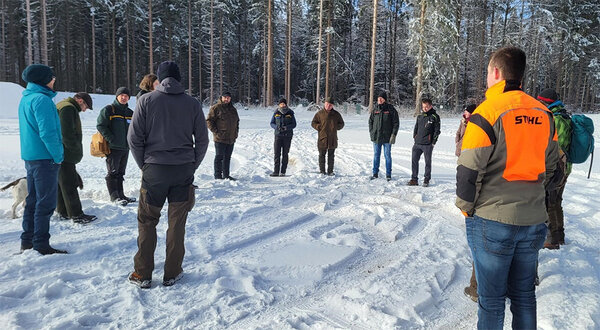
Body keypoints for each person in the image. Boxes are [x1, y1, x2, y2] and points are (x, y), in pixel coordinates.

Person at [456, 46, 558, 329]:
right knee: (524, 296)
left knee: (492, 300)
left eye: (488, 72)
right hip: (533, 219)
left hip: (492, 219)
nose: (487, 77)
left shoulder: (487, 111)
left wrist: (467, 209)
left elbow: (468, 170)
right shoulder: (543, 113)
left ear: (497, 73)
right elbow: (553, 169)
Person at [127, 61, 209, 288]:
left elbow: (134, 139)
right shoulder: (192, 104)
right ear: (179, 78)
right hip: (183, 169)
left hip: (155, 170)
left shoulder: (145, 100)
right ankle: (172, 272)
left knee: (147, 221)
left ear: (160, 79)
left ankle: (142, 274)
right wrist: (192, 165)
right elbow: (202, 140)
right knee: (177, 222)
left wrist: (144, 164)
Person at [18, 64, 67, 255]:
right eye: (51, 77)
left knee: (33, 200)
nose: (54, 80)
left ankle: (27, 240)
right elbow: (48, 133)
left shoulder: (27, 98)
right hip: (45, 158)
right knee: (45, 202)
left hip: (31, 157)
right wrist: (58, 156)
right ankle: (40, 243)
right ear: (43, 80)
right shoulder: (42, 100)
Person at [537, 88, 572, 249]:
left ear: (547, 102)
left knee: (550, 202)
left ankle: (552, 239)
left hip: (558, 167)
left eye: (542, 101)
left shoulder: (556, 119)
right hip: (565, 166)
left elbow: (555, 146)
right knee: (557, 201)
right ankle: (560, 236)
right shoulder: (564, 116)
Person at [56, 93, 97, 224]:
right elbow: (66, 133)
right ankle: (76, 214)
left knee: (61, 183)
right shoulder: (68, 108)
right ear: (79, 100)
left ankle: (63, 212)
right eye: (85, 105)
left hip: (58, 151)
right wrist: (74, 148)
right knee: (70, 184)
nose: (84, 109)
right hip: (65, 153)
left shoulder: (63, 105)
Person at [97, 87, 136, 205]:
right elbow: (100, 125)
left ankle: (121, 195)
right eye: (121, 95)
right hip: (113, 147)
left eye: (126, 96)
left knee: (121, 173)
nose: (124, 98)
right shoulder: (109, 110)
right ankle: (114, 197)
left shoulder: (130, 113)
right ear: (117, 96)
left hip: (125, 147)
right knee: (113, 172)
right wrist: (111, 139)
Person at [206, 91, 239, 180]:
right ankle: (218, 176)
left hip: (231, 138)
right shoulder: (216, 108)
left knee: (227, 158)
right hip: (220, 138)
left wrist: (236, 133)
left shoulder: (233, 109)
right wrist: (216, 132)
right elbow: (209, 121)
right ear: (221, 98)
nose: (226, 99)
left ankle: (226, 175)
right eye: (225, 97)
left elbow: (237, 121)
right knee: (219, 157)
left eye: (228, 97)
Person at [408, 98, 440, 187]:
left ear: (431, 106)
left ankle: (426, 179)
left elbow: (437, 131)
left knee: (427, 163)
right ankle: (414, 179)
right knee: (414, 161)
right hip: (417, 143)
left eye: (426, 107)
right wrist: (415, 136)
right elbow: (416, 128)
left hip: (428, 144)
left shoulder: (435, 117)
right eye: (423, 106)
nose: (425, 108)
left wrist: (433, 142)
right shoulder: (420, 116)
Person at [369, 91, 399, 181]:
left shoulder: (390, 109)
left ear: (385, 99)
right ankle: (375, 173)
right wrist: (372, 132)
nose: (379, 100)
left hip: (387, 138)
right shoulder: (375, 109)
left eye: (381, 98)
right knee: (376, 155)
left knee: (387, 156)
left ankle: (388, 174)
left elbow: (396, 123)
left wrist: (393, 134)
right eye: (378, 98)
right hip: (376, 137)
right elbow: (370, 122)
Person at [311, 97, 344, 175]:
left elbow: (342, 123)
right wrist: (318, 127)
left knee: (331, 156)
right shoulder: (319, 114)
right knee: (322, 155)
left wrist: (336, 127)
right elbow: (313, 123)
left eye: (330, 105)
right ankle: (322, 171)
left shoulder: (336, 114)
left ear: (332, 105)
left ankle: (330, 171)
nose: (328, 106)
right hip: (323, 138)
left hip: (332, 138)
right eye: (327, 104)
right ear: (325, 104)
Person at [270, 98, 297, 176]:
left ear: (286, 104)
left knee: (285, 154)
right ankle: (276, 171)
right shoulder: (276, 112)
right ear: (279, 105)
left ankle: (283, 172)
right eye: (281, 104)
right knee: (277, 153)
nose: (282, 105)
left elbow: (294, 124)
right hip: (278, 135)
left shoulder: (290, 113)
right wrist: (276, 127)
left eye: (284, 104)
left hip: (287, 136)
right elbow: (272, 123)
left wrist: (287, 127)